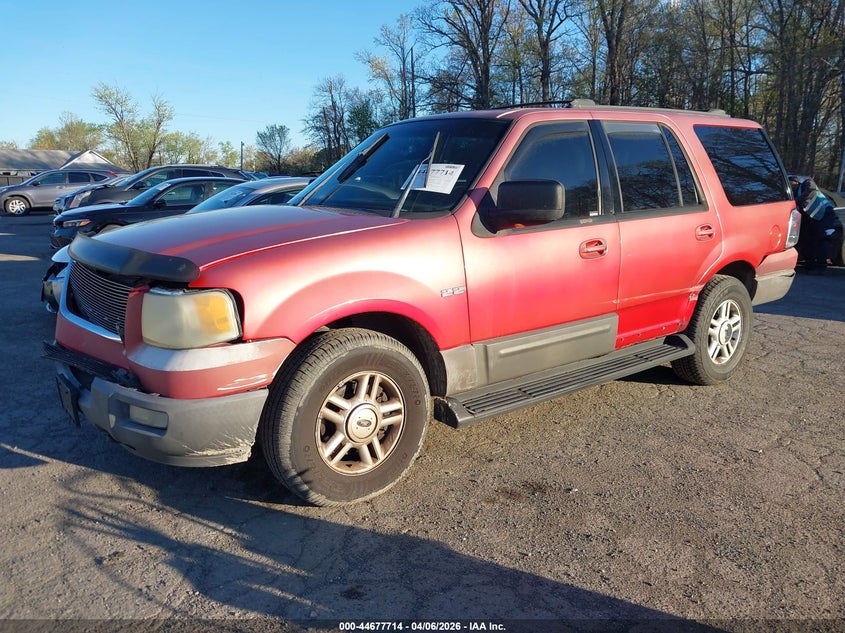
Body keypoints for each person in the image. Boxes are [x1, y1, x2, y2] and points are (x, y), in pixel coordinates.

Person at [789, 175, 837, 274]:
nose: (790, 185)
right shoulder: (793, 192)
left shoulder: (807, 183)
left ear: (797, 181)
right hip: (813, 217)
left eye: (791, 182)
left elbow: (810, 190)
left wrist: (795, 201)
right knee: (808, 240)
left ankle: (821, 267)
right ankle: (809, 265)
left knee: (822, 240)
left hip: (825, 214)